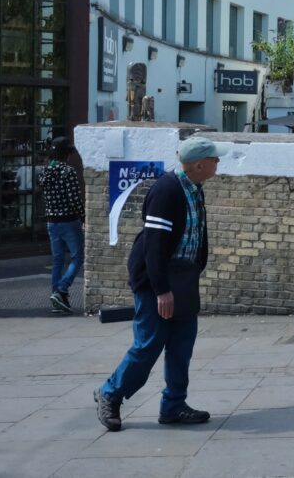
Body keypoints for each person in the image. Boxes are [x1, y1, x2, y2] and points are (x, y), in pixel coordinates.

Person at [94, 135, 227, 432]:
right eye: (214, 159)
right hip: (159, 280)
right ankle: (110, 393)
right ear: (198, 164)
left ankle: (174, 405)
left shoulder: (195, 188)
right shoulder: (167, 190)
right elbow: (154, 245)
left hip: (184, 278)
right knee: (149, 344)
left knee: (182, 345)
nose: (218, 163)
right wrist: (162, 290)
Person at [39, 136, 84, 314]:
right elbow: (74, 199)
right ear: (66, 153)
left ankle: (56, 299)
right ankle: (61, 289)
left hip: (51, 221)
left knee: (57, 260)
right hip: (69, 220)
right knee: (77, 257)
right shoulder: (68, 171)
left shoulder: (44, 171)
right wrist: (83, 216)